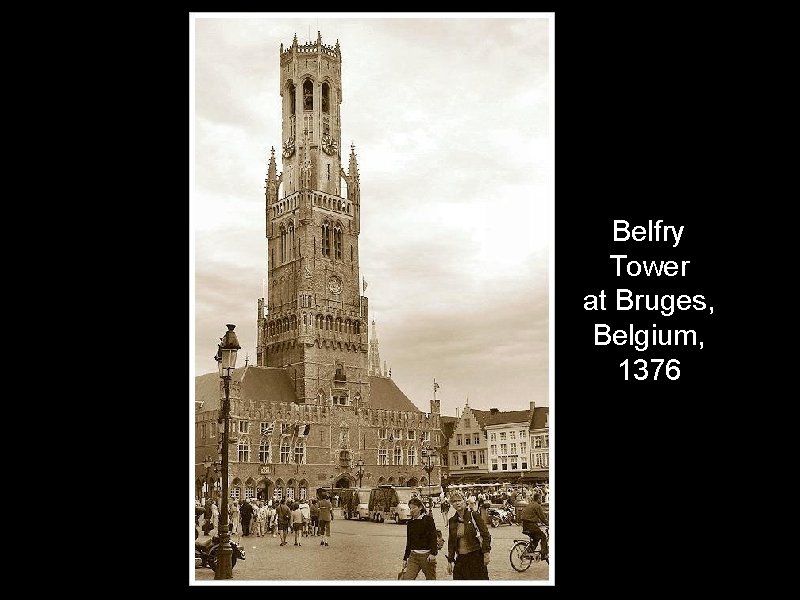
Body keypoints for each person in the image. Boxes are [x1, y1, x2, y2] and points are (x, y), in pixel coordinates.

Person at [445, 490, 491, 580]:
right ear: (451, 504)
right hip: (461, 559)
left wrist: (486, 554)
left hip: (476, 557)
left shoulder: (474, 515)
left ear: (464, 501)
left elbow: (486, 535)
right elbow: (451, 542)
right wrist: (450, 561)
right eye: (454, 501)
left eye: (459, 500)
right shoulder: (452, 521)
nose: (457, 503)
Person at [401, 497, 438, 580]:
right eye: (410, 508)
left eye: (414, 507)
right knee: (407, 579)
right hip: (413, 556)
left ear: (420, 507)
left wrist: (433, 553)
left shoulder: (428, 519)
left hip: (427, 556)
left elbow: (433, 537)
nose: (412, 510)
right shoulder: (410, 522)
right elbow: (409, 541)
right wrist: (405, 558)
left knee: (431, 579)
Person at [519, 493, 549, 562]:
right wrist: (548, 524)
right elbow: (542, 517)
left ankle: (529, 552)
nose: (541, 500)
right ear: (538, 499)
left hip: (525, 526)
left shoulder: (530, 504)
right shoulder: (537, 506)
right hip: (531, 526)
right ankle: (544, 554)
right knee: (543, 536)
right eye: (540, 498)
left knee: (536, 538)